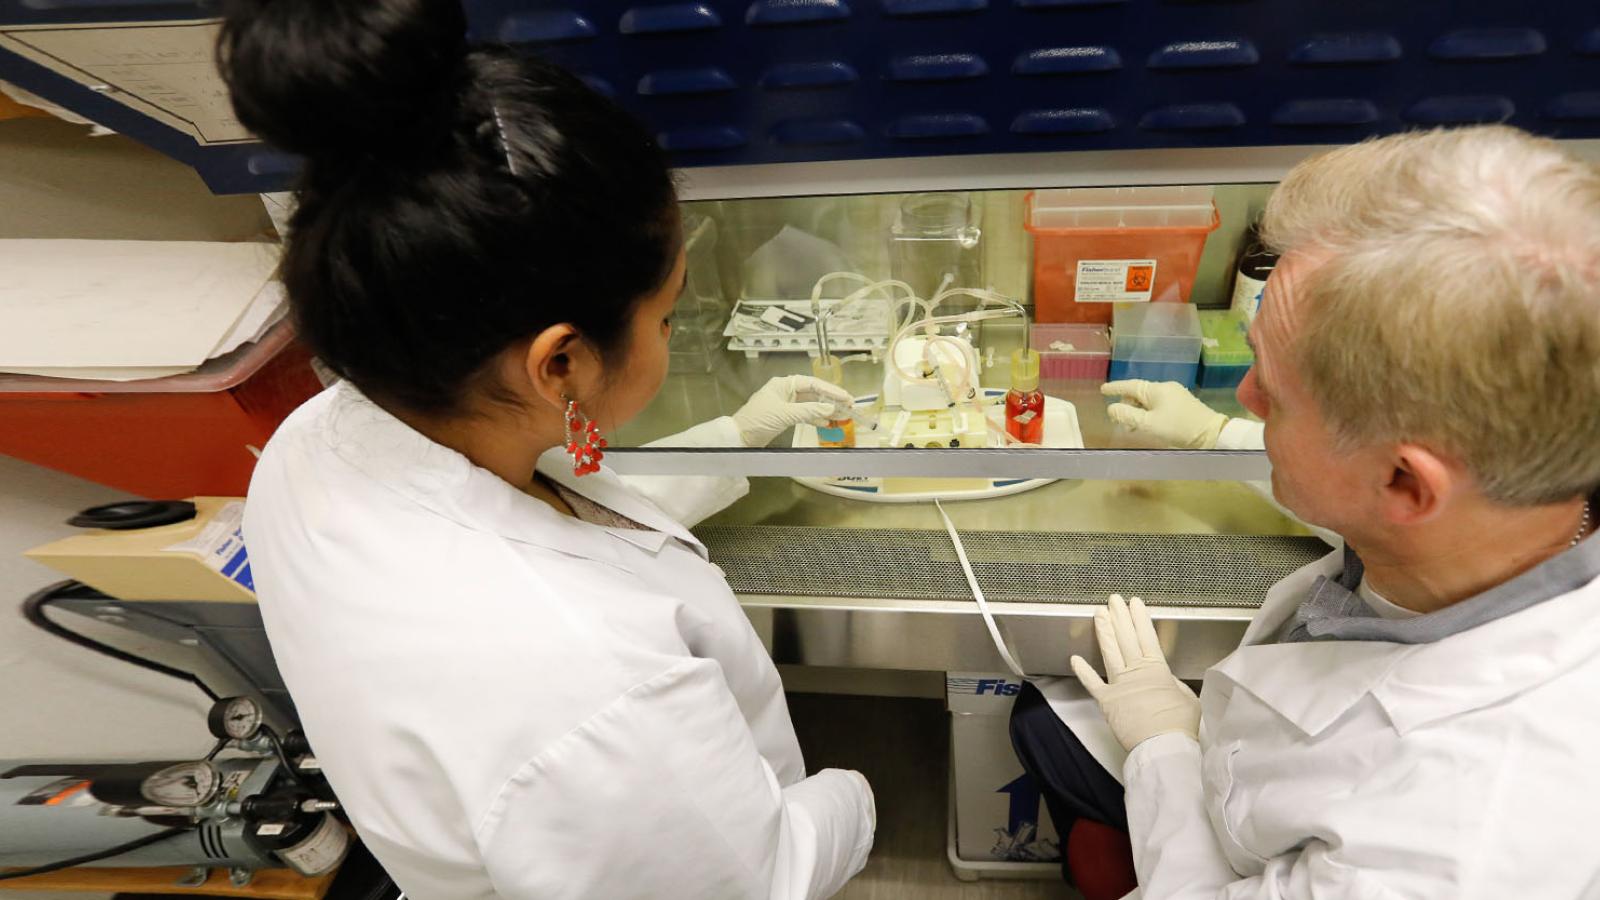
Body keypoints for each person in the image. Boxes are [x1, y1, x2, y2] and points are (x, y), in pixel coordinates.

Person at [220, 1, 875, 897]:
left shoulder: (319, 441)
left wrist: (737, 435)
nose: (673, 335)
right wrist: (860, 793)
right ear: (560, 360)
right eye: (669, 313)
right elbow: (758, 880)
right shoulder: (596, 696)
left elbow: (564, 535)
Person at [1012, 125, 1600, 899]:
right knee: (1045, 720)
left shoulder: (1443, 853)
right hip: (1242, 765)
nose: (1245, 398)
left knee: (1036, 725)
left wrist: (1161, 745)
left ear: (1405, 485)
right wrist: (1214, 433)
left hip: (1238, 848)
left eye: (1273, 395)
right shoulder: (1513, 492)